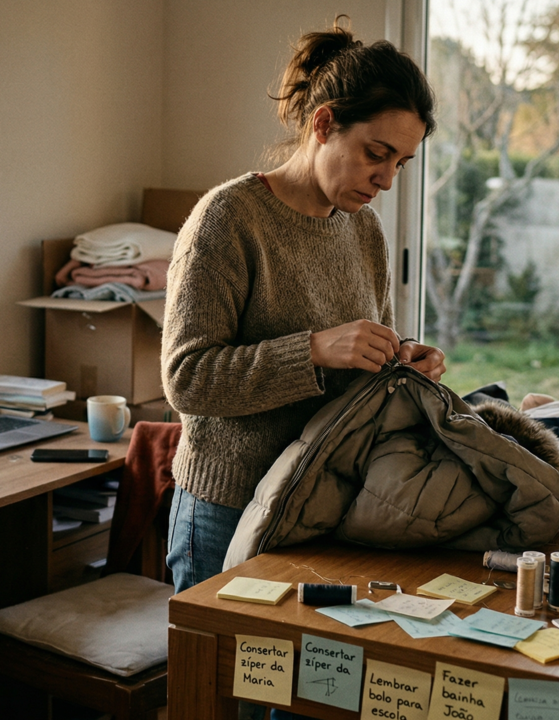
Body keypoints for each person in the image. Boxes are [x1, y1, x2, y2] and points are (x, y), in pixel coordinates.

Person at [161, 22, 446, 596]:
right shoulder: (228, 219)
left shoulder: (364, 231)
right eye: (376, 154)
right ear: (324, 124)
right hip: (226, 507)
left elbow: (360, 362)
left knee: (290, 684)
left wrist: (401, 362)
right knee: (213, 683)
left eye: (402, 163)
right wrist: (314, 350)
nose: (387, 179)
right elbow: (187, 379)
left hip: (322, 501)